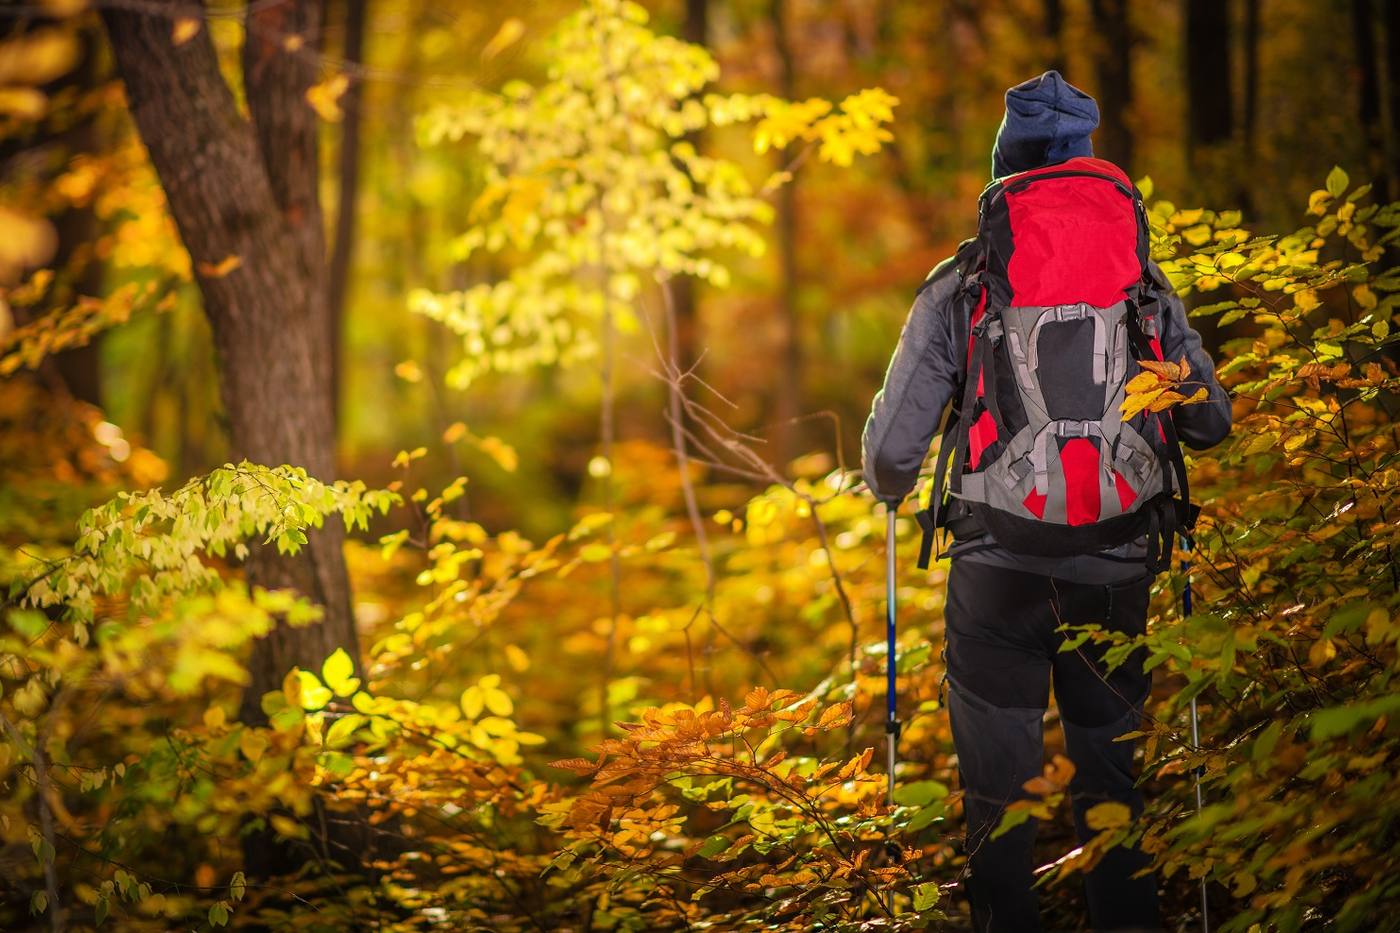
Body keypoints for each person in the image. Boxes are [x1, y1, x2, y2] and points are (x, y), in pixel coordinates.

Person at [860, 70, 1232, 933]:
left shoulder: (966, 281)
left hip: (997, 569)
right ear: (1088, 162)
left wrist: (887, 485)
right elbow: (1210, 421)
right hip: (1117, 564)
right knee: (1115, 788)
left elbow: (890, 453)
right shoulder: (1140, 283)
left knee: (998, 802)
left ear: (1008, 167)